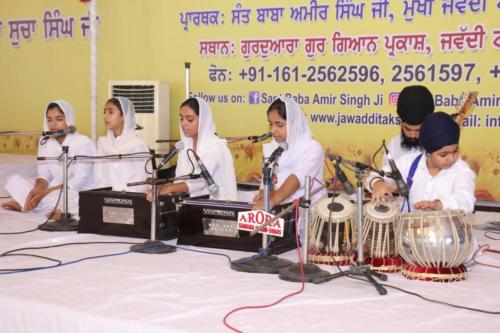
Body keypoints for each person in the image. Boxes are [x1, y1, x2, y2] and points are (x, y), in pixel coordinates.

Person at [367, 112, 475, 214]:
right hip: (407, 231)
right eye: (444, 154)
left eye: (455, 151)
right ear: (428, 151)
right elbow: (374, 174)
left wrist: (439, 204)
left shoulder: (461, 170)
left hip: (445, 232)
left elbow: (466, 199)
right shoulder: (408, 163)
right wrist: (378, 184)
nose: (451, 158)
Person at [2, 100, 96, 217]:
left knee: (72, 199)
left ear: (69, 119)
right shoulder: (45, 141)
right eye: (49, 120)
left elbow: (78, 181)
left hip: (75, 190)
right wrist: (37, 190)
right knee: (14, 181)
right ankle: (37, 206)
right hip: (52, 189)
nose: (53, 125)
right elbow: (44, 175)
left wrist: (43, 193)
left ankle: (26, 205)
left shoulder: (83, 142)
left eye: (59, 119)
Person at [252, 98, 327, 235]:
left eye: (279, 125)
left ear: (294, 123)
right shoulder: (273, 148)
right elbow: (267, 180)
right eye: (270, 124)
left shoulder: (311, 147)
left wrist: (272, 201)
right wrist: (263, 197)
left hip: (307, 219)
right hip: (279, 216)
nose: (273, 130)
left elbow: (297, 179)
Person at [148, 97, 237, 201]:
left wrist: (169, 187)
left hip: (218, 208)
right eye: (181, 118)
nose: (183, 123)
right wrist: (160, 189)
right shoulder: (185, 147)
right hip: (191, 206)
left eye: (190, 119)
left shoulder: (216, 146)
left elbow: (201, 181)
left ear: (203, 120)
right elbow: (179, 180)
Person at [95, 97, 149, 192]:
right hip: (106, 197)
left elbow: (142, 181)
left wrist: (123, 196)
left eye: (111, 112)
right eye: (104, 112)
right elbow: (100, 175)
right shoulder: (103, 143)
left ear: (124, 117)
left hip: (131, 198)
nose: (105, 116)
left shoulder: (137, 145)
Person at [382, 85, 434, 165]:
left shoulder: (442, 146)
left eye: (418, 130)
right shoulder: (393, 146)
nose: (412, 135)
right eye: (408, 129)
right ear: (401, 124)